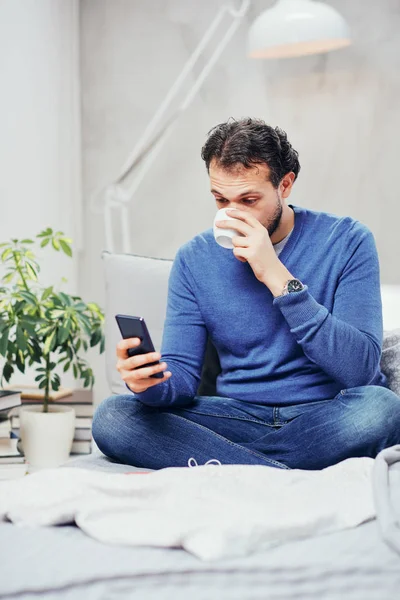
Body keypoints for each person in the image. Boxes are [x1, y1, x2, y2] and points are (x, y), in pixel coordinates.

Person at [92, 117, 400, 471]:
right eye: (220, 199)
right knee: (114, 417)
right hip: (236, 416)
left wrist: (277, 276)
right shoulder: (195, 259)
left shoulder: (347, 241)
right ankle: (274, 470)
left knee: (382, 410)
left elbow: (360, 369)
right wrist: (147, 383)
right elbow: (181, 379)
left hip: (325, 413)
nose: (231, 213)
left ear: (285, 185)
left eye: (249, 199)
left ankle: (229, 465)